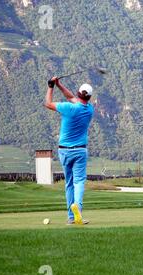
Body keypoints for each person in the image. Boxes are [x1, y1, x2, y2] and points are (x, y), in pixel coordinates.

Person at [44, 77, 95, 225]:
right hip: (80, 151)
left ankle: (71, 218)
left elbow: (48, 103)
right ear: (89, 97)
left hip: (64, 152)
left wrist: (51, 86)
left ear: (79, 93)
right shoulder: (89, 109)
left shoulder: (68, 108)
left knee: (69, 183)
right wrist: (59, 84)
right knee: (79, 182)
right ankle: (77, 209)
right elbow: (71, 97)